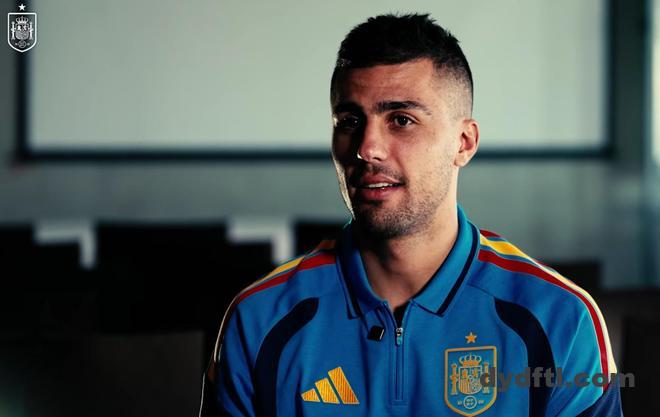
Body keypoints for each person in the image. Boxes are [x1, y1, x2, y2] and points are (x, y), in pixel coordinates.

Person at [200, 14, 623, 416]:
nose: (367, 148)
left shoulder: (560, 319)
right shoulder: (259, 319)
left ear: (463, 143)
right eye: (349, 121)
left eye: (401, 120)